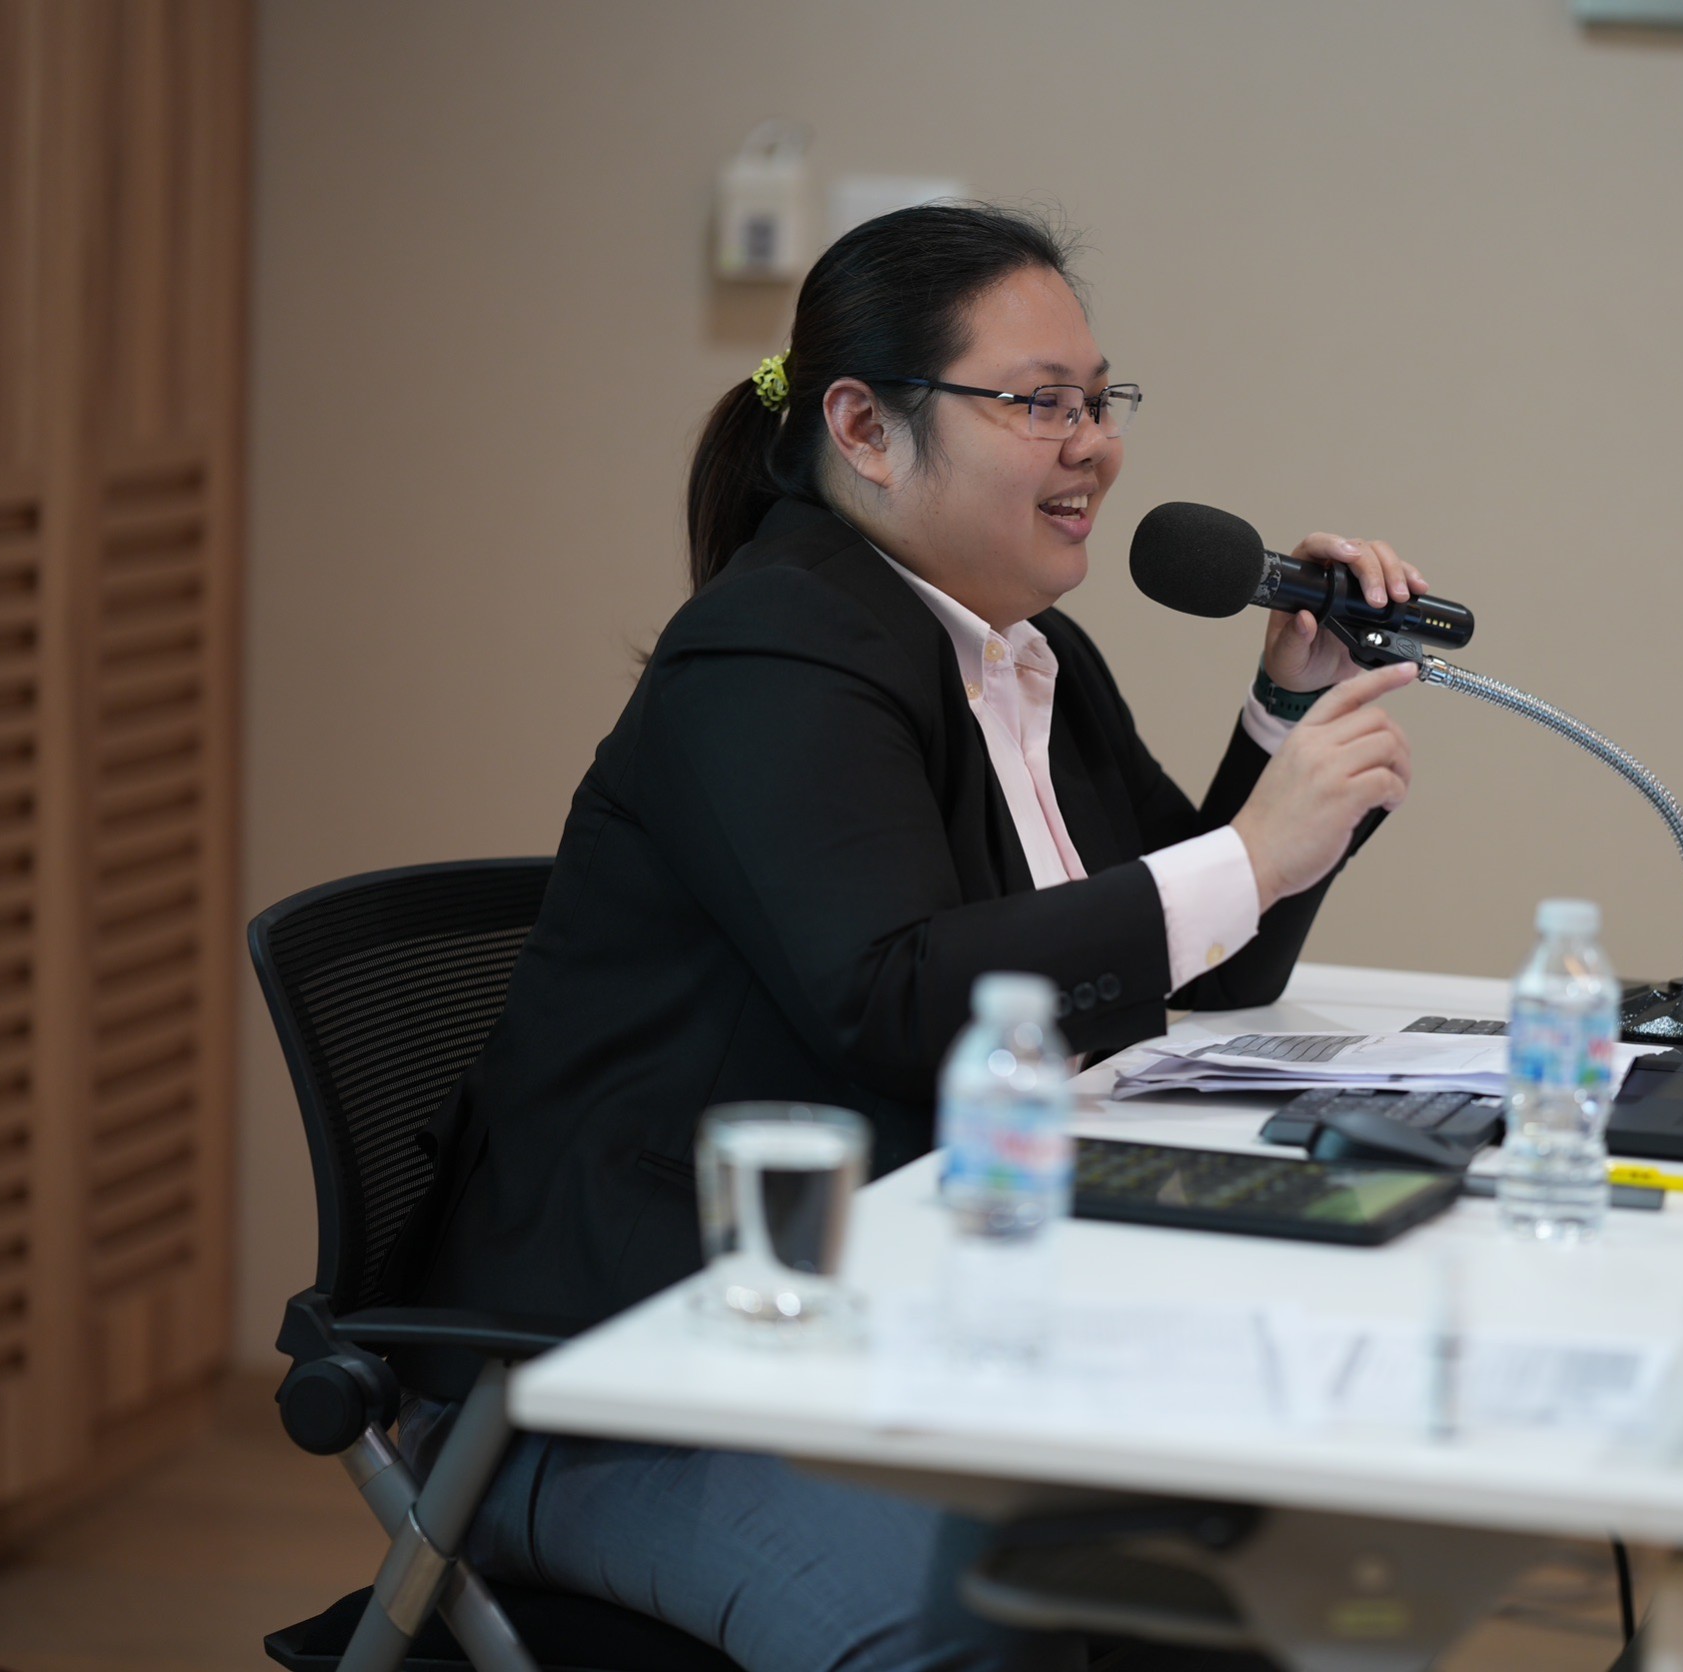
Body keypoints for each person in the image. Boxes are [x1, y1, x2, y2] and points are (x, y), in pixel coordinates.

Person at [403, 205, 1423, 1671]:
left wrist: (1286, 716)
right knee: (975, 1618)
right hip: (633, 1365)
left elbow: (1202, 957)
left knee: (1239, 1548)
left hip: (890, 1303)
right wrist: (1252, 851)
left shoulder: (1029, 651)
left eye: (1101, 402)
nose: (1093, 447)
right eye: (1040, 403)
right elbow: (892, 998)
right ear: (865, 430)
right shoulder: (773, 648)